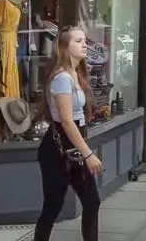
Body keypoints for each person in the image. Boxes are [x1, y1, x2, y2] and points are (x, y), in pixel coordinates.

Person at [34, 27, 102, 241]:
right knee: (53, 205)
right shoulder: (62, 77)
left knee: (92, 200)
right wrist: (88, 154)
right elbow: (66, 120)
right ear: (64, 47)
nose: (84, 44)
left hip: (73, 145)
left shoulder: (76, 74)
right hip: (58, 149)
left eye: (85, 40)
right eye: (78, 41)